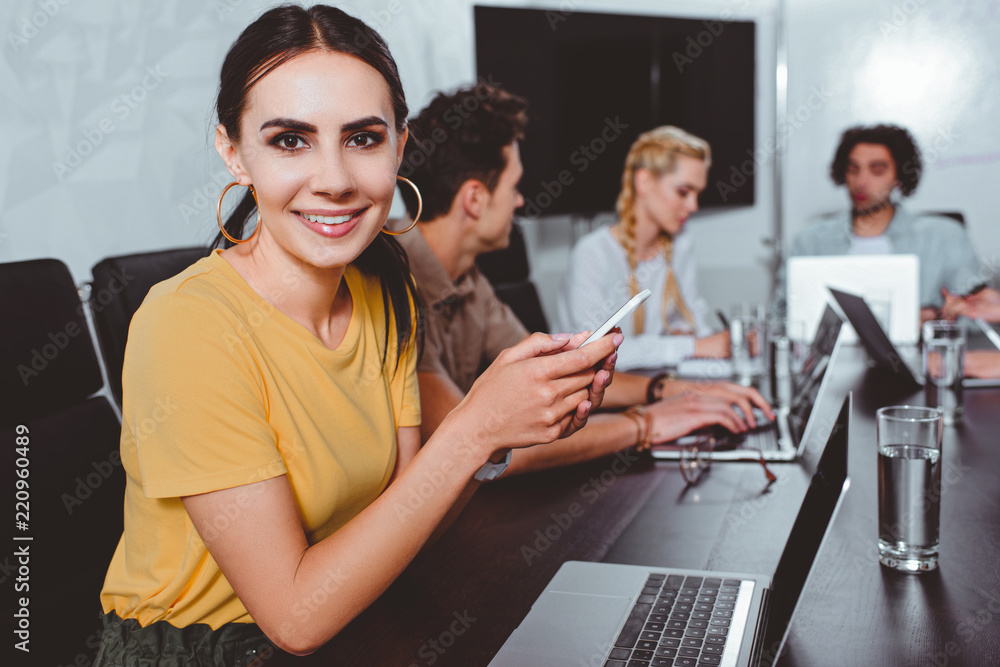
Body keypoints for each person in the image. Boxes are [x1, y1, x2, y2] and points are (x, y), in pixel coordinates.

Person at [95, 6, 620, 663]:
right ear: (233, 151)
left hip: (359, 622)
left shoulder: (383, 283)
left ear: (399, 147)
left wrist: (499, 432)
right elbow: (292, 616)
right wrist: (474, 427)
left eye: (363, 138)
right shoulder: (184, 325)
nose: (336, 179)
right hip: (206, 649)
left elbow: (409, 510)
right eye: (290, 139)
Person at [396, 86, 772, 475]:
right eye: (515, 187)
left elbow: (557, 372)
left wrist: (664, 391)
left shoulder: (470, 281)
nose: (521, 202)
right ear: (475, 200)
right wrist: (645, 424)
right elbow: (471, 448)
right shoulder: (394, 283)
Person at [555, 125, 731, 370]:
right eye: (683, 192)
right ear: (645, 181)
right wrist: (690, 346)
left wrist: (695, 335)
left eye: (697, 194)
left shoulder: (680, 243)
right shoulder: (592, 254)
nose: (693, 206)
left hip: (652, 384)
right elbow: (593, 352)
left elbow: (695, 323)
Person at [785, 124, 982, 321]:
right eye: (853, 170)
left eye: (877, 171)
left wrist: (934, 316)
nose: (861, 181)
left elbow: (977, 315)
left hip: (916, 351)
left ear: (899, 177)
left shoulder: (944, 237)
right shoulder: (810, 241)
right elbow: (783, 314)